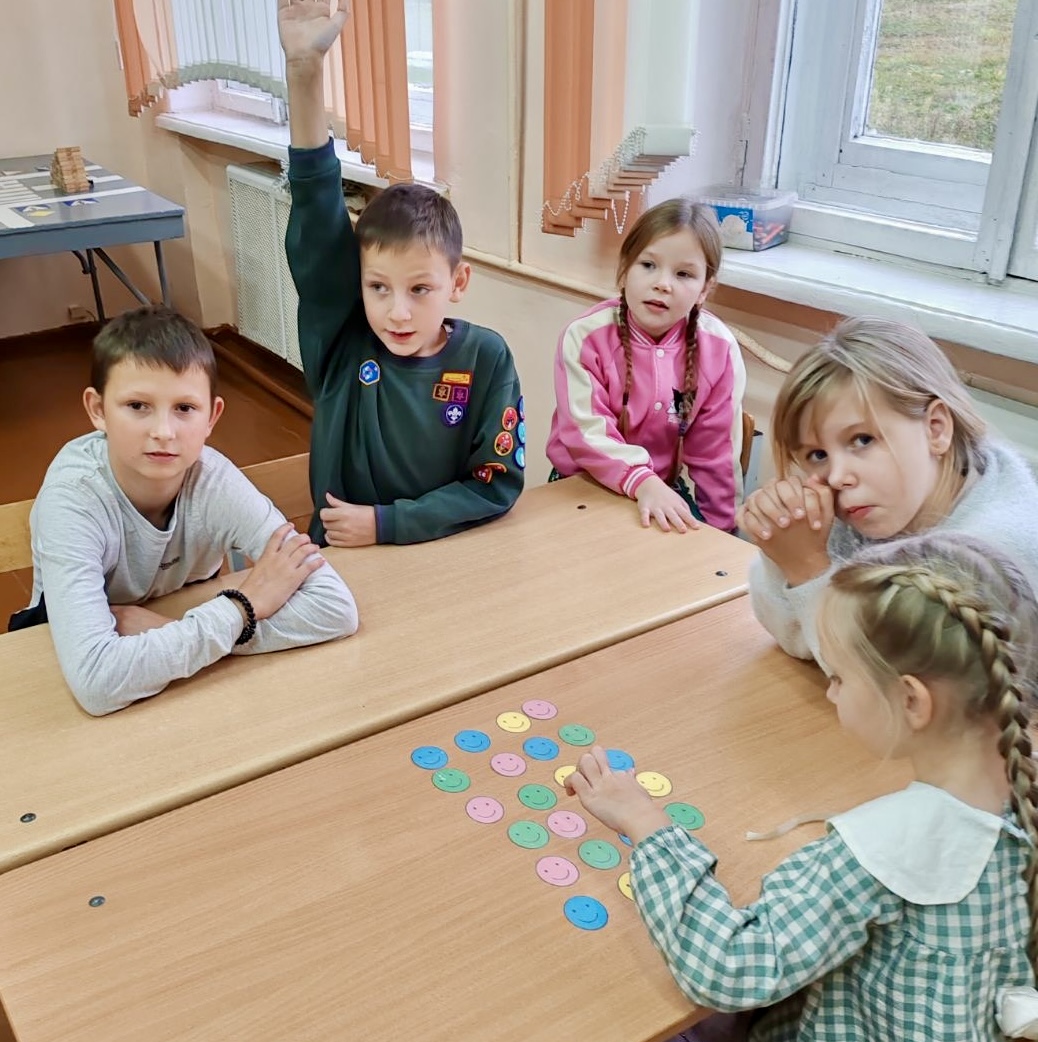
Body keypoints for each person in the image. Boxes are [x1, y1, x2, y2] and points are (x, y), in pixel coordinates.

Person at [566, 532, 1038, 1042]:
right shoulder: (1019, 790)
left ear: (911, 701)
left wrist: (645, 824)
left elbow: (732, 967)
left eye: (837, 676)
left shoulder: (888, 850)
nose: (831, 693)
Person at [10, 305, 358, 716]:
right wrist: (242, 608)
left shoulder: (214, 480)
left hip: (173, 657)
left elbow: (336, 610)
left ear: (212, 416)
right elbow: (97, 681)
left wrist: (180, 630)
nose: (163, 432)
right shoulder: (73, 498)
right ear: (98, 410)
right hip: (65, 666)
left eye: (185, 408)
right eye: (137, 405)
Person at [278, 0, 524, 548]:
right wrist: (304, 73)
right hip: (348, 561)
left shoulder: (486, 358)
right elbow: (317, 217)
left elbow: (495, 483)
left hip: (451, 552)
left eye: (420, 289)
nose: (397, 312)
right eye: (377, 288)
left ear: (458, 283)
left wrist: (387, 523)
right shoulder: (343, 343)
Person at [739, 316, 1038, 663]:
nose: (837, 476)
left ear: (936, 429)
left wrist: (808, 569)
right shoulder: (876, 502)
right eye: (818, 455)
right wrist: (786, 549)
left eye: (862, 440)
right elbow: (793, 635)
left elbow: (890, 679)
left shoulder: (989, 558)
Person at [545, 198, 746, 533]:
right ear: (625, 269)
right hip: (580, 486)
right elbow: (587, 433)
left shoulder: (719, 349)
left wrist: (722, 534)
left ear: (705, 289)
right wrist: (641, 481)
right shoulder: (584, 337)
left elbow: (715, 456)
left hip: (663, 492)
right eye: (648, 265)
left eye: (684, 274)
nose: (663, 283)